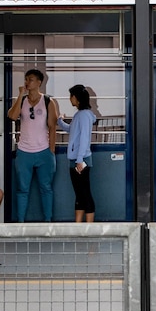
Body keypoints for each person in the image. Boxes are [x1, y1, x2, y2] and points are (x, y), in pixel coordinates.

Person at [7, 69, 59, 222]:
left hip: (43, 150)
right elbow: (12, 116)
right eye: (26, 79)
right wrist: (20, 95)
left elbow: (53, 126)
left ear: (39, 83)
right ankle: (20, 222)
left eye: (30, 79)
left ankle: (48, 221)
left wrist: (51, 150)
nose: (27, 82)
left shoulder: (48, 101)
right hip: (24, 151)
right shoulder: (22, 100)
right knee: (22, 189)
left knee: (46, 188)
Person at [57, 84, 97, 223]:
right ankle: (78, 226)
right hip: (76, 159)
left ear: (77, 98)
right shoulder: (79, 115)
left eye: (71, 96)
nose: (70, 99)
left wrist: (79, 160)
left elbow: (84, 138)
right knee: (80, 194)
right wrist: (60, 121)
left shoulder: (84, 115)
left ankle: (89, 227)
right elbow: (72, 130)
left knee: (84, 193)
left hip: (81, 160)